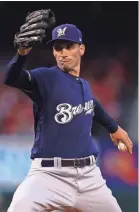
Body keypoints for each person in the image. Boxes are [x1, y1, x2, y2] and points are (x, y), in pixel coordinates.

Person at [4, 21, 133, 212]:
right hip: (48, 176)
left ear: (81, 49)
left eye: (69, 46)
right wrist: (21, 54)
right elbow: (11, 78)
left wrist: (114, 128)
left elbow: (92, 105)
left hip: (89, 178)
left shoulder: (84, 85)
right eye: (58, 47)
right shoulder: (45, 78)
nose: (63, 52)